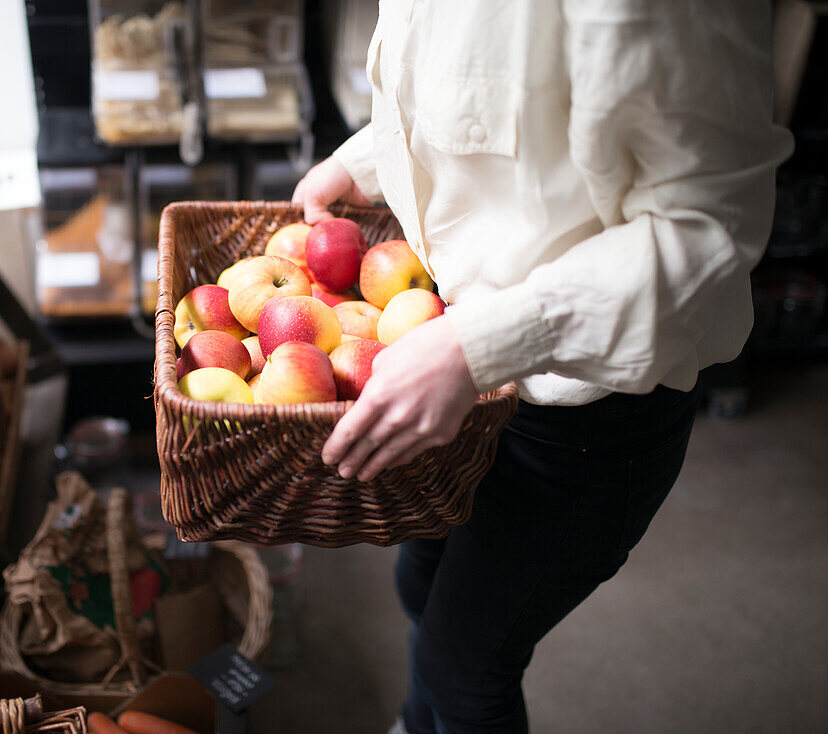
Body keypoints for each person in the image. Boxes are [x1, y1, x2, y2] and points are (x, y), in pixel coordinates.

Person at [291, 2, 792, 732]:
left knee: (463, 670)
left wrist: (479, 345)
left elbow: (708, 231)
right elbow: (481, 94)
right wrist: (361, 161)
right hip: (446, 351)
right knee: (421, 586)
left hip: (583, 414)